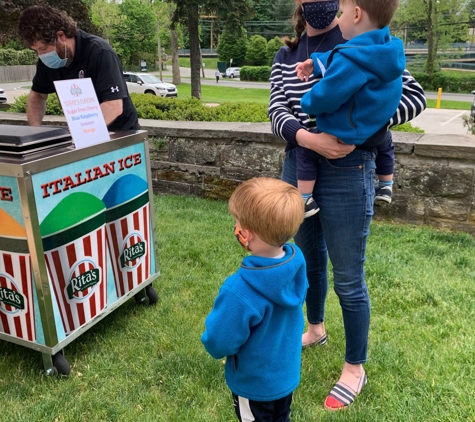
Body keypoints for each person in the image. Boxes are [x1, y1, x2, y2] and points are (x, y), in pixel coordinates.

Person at [268, 0, 426, 411]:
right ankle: (315, 328)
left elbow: (412, 95)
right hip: (298, 166)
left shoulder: (362, 42)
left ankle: (355, 367)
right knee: (307, 259)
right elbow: (276, 112)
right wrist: (309, 139)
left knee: (349, 276)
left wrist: (362, 125)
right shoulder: (286, 55)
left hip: (348, 167)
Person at [201, 177, 307, 422]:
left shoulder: (239, 289)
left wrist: (212, 344)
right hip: (285, 375)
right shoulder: (295, 264)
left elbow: (219, 340)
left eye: (237, 223)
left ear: (246, 235)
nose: (236, 228)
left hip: (255, 385)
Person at [295, 0, 404, 217]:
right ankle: (386, 184)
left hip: (348, 132)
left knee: (305, 152)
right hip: (377, 129)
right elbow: (342, 54)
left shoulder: (352, 62)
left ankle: (305, 200)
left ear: (356, 15)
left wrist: (307, 103)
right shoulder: (387, 49)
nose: (338, 17)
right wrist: (316, 63)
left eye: (341, 12)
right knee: (387, 143)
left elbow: (327, 94)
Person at [18, 5, 140, 132]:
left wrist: (81, 132)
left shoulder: (99, 52)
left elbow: (114, 105)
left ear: (61, 36)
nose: (41, 55)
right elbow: (38, 94)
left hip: (120, 133)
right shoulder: (48, 61)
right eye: (36, 50)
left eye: (43, 48)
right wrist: (35, 132)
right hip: (82, 133)